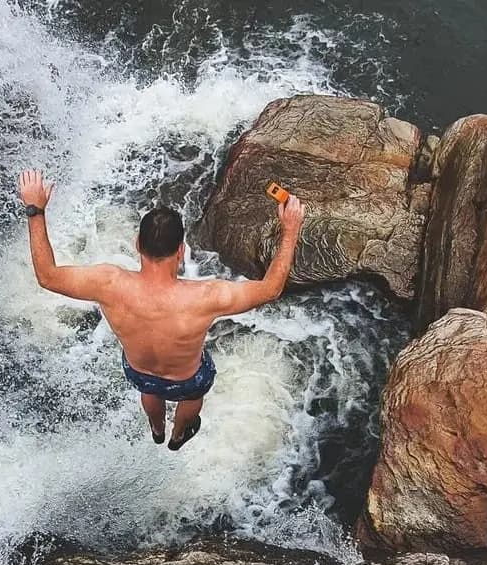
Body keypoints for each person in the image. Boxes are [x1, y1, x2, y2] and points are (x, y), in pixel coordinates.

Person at [17, 169, 306, 450]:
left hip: (139, 372)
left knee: (150, 391)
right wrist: (290, 231)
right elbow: (271, 289)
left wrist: (35, 210)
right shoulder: (206, 296)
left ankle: (157, 429)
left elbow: (47, 276)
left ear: (137, 244)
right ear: (181, 251)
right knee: (191, 398)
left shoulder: (108, 283)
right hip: (188, 379)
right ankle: (178, 435)